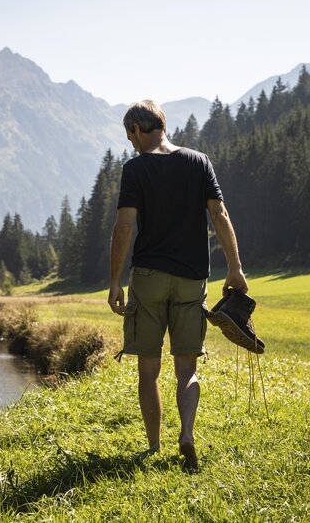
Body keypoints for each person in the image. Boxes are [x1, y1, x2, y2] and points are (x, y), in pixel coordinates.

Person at [108, 99, 248, 471]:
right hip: (192, 278)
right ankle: (186, 433)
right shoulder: (198, 161)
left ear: (138, 129)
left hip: (149, 278)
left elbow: (124, 226)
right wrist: (235, 267)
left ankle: (153, 446)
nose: (131, 143)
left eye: (130, 135)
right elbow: (219, 214)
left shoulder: (136, 169)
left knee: (148, 369)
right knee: (187, 367)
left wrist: (115, 280)